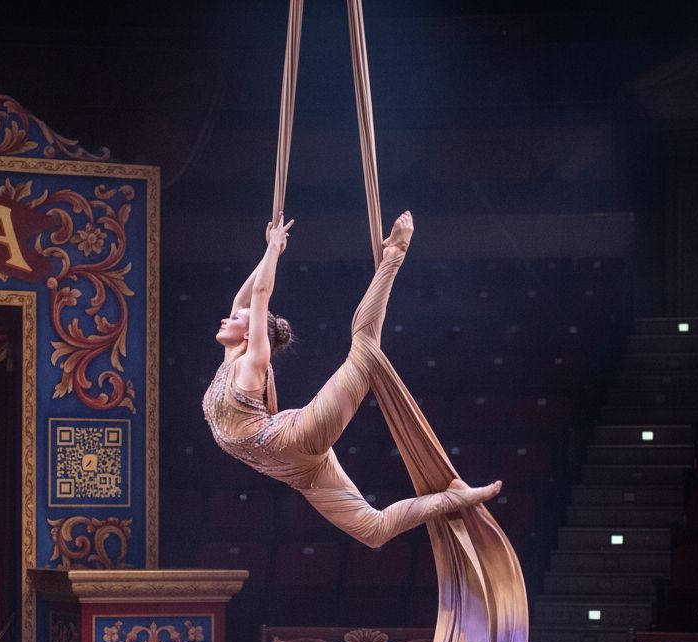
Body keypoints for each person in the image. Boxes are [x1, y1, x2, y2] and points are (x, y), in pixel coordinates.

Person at [202, 210, 501, 547]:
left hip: (299, 437)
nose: (226, 320)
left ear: (251, 334)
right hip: (300, 474)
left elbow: (258, 296)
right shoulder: (233, 359)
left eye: (236, 320)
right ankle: (456, 496)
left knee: (365, 346)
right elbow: (243, 301)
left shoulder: (254, 358)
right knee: (373, 532)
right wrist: (269, 252)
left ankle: (396, 253)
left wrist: (273, 249)